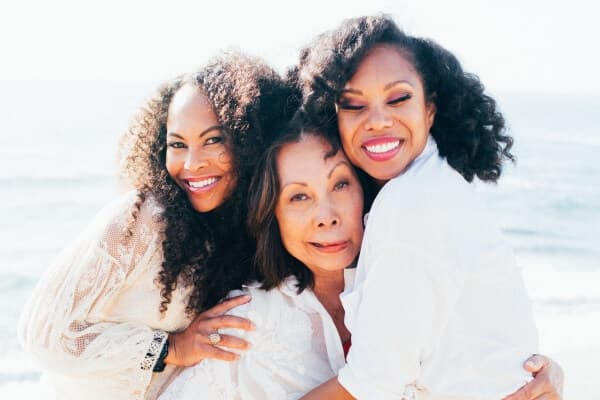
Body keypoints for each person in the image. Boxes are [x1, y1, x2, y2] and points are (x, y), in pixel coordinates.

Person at [159, 113, 561, 400]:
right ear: (273, 215)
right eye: (299, 196)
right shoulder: (247, 321)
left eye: (340, 185)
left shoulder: (415, 281)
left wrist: (541, 377)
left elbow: (486, 358)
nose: (325, 217)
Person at [294, 15, 560, 400]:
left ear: (430, 109)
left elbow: (371, 384)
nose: (377, 121)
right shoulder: (428, 186)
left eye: (398, 98)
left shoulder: (412, 205)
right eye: (353, 105)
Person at [17, 52, 293, 400]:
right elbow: (43, 335)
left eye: (213, 140)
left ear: (249, 140)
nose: (191, 164)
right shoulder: (141, 219)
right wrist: (171, 348)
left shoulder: (242, 232)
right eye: (177, 145)